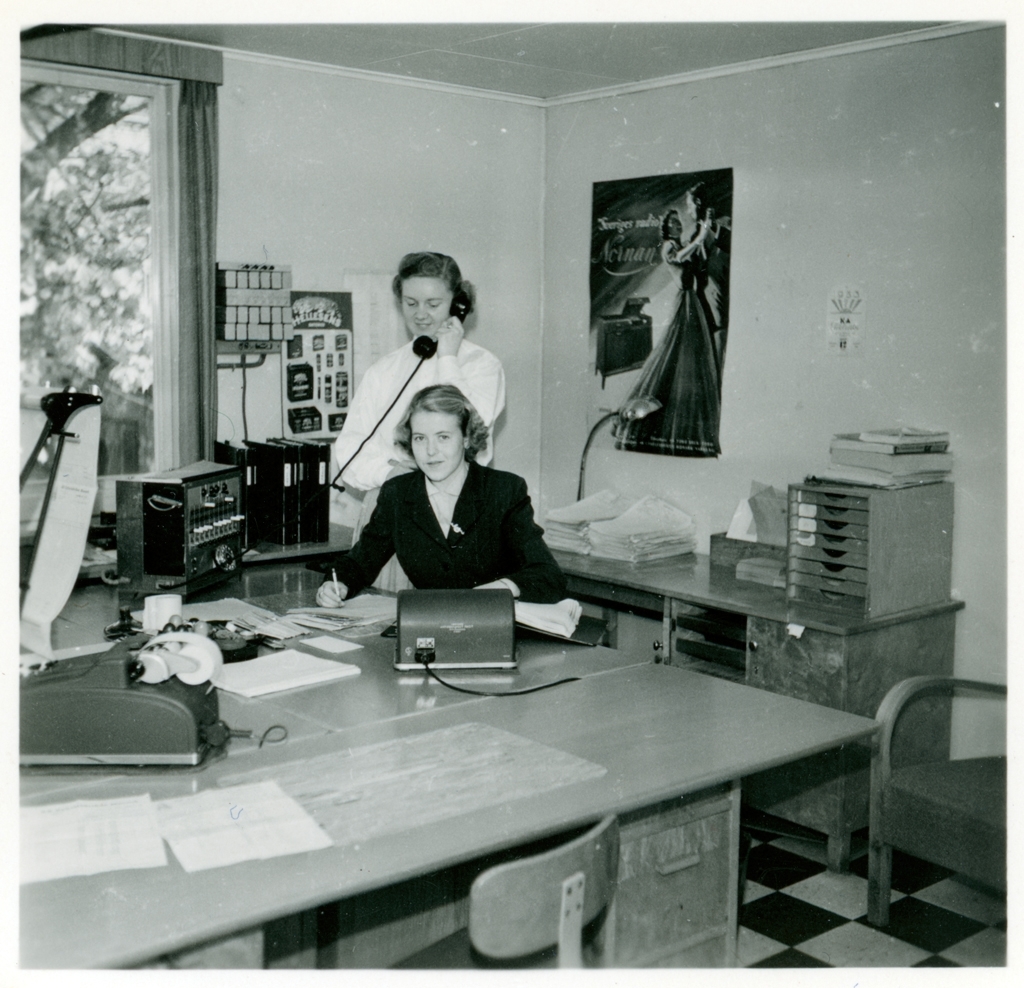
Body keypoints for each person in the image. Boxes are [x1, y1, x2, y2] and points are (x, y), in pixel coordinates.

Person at [332, 252, 506, 590]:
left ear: (458, 304)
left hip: (459, 517)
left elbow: (471, 432)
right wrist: (392, 474)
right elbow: (350, 449)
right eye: (410, 303)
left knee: (455, 614)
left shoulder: (482, 366)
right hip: (392, 514)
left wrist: (448, 357)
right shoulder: (384, 370)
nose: (420, 314)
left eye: (433, 303)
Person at [317, 385, 565, 605]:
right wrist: (335, 585)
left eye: (443, 437)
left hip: (493, 625)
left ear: (466, 438)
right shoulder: (397, 493)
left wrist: (499, 589)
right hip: (432, 625)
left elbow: (548, 575)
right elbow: (359, 562)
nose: (430, 451)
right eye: (420, 438)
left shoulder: (503, 490)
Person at [616, 184, 724, 457]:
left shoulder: (681, 243)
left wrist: (704, 235)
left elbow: (697, 256)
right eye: (673, 223)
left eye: (678, 222)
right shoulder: (668, 247)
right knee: (676, 354)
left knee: (692, 356)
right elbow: (682, 256)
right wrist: (701, 234)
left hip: (694, 301)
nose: (677, 225)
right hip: (685, 303)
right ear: (666, 228)